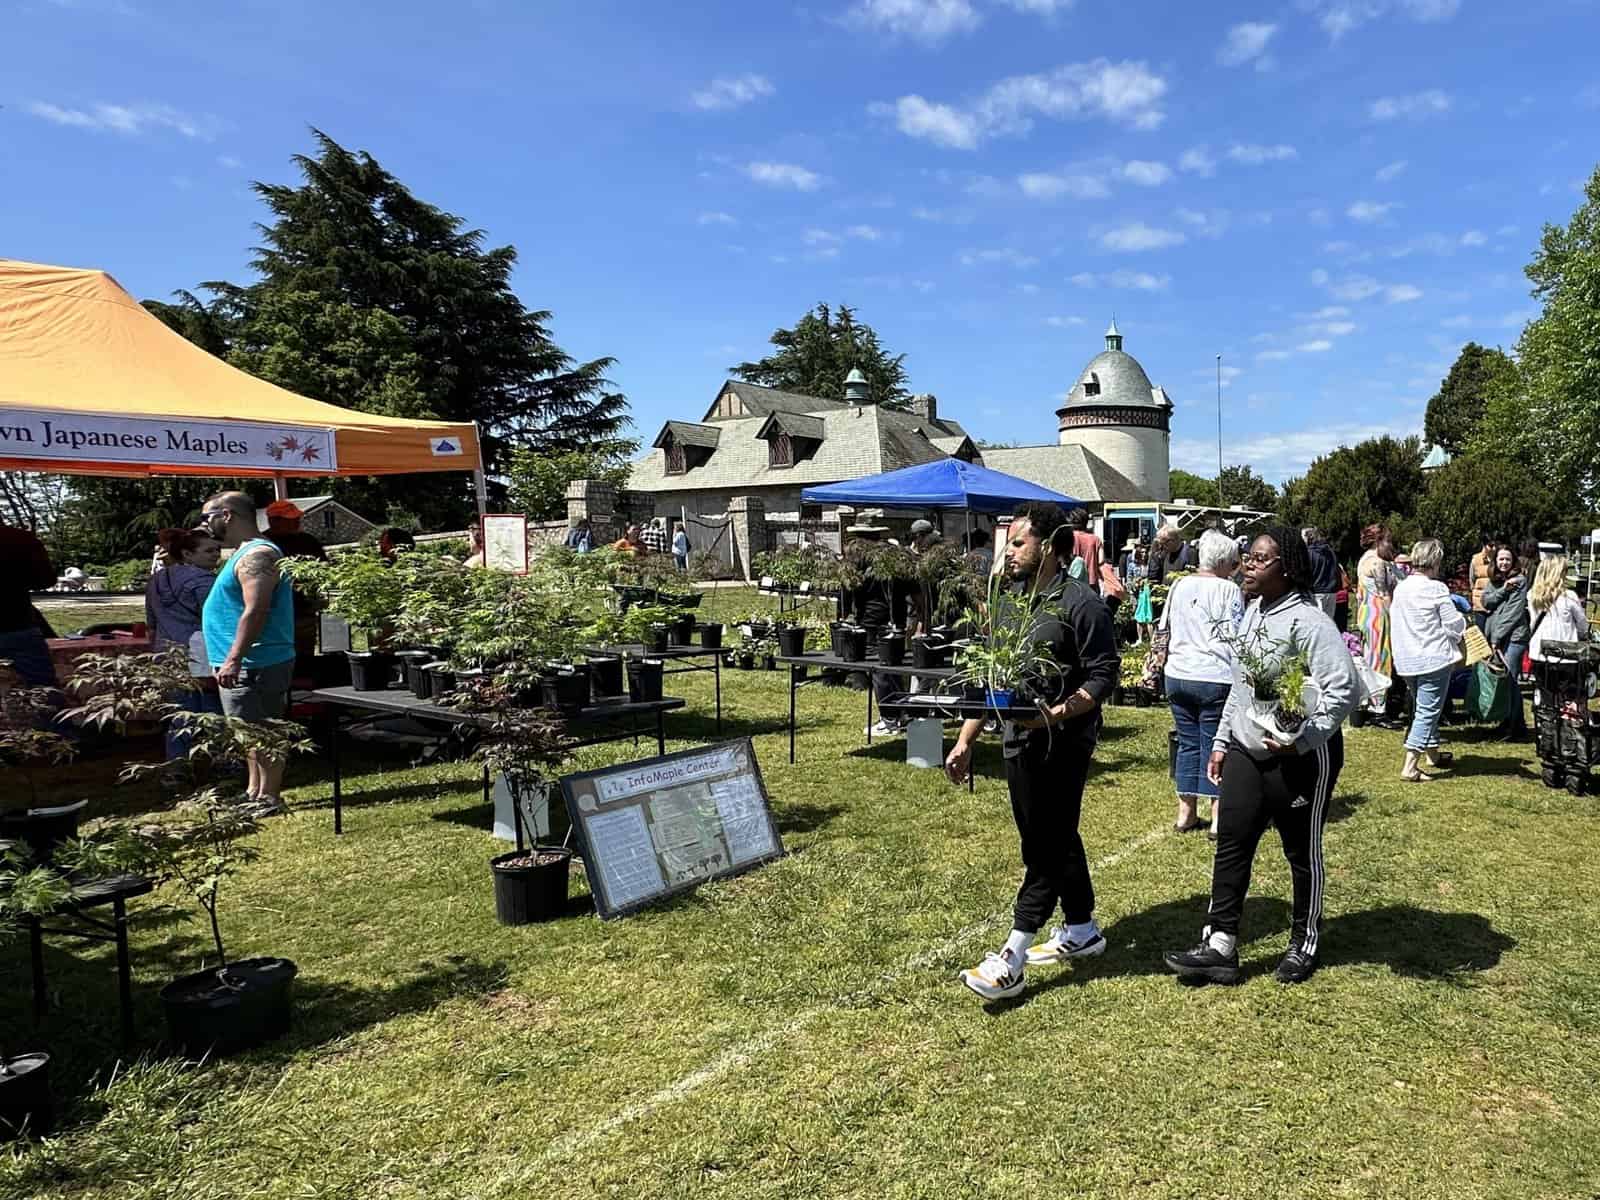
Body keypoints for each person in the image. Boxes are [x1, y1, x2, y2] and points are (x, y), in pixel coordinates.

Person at [1163, 526, 1358, 986]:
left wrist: (1303, 739)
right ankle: (1221, 944)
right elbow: (1241, 685)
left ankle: (1303, 941)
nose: (1248, 565)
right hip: (1246, 752)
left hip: (1301, 757)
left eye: (1260, 559)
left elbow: (1343, 688)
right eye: (1247, 556)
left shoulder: (1308, 622)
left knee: (1300, 851)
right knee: (1232, 842)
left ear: (1287, 569)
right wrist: (1222, 740)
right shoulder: (1252, 612)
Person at [944, 501, 1120, 1000]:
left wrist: (1057, 714)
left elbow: (1104, 673)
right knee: (1049, 836)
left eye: (1019, 543)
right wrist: (966, 739)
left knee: (1046, 844)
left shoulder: (1080, 602)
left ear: (1049, 546)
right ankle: (1081, 928)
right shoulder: (1010, 602)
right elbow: (994, 678)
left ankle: (1012, 955)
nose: (1009, 552)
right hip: (1017, 739)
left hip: (1064, 743)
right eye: (1009, 543)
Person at [199, 492, 297, 817]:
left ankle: (270, 798)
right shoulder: (244, 552)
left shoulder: (259, 555)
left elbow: (257, 609)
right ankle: (254, 792)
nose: (204, 524)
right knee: (248, 734)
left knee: (265, 732)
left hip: (257, 661)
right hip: (243, 662)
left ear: (226, 515)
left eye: (207, 517)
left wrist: (234, 658)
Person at [1162, 530, 1244, 833]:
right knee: (1216, 743)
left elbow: (1164, 626)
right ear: (1223, 561)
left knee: (1187, 743)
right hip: (1214, 675)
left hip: (1178, 672)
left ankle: (1186, 813)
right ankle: (1218, 816)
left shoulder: (1179, 585)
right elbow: (1236, 634)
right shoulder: (1229, 589)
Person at [1390, 539, 1467, 782]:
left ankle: (1432, 754)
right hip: (1433, 658)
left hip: (1406, 660)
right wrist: (1462, 626)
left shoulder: (1401, 588)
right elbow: (1453, 623)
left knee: (1425, 707)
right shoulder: (1436, 589)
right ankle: (1410, 766)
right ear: (1436, 561)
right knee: (1427, 711)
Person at [145, 527, 224, 759]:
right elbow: (216, 621)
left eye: (217, 550)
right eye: (208, 551)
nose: (215, 555)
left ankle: (177, 762)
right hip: (200, 651)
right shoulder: (206, 581)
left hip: (167, 652)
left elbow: (151, 623)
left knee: (179, 713)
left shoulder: (156, 579)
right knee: (212, 708)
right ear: (187, 554)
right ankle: (221, 760)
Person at [263, 500, 328, 671]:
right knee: (277, 661)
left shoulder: (308, 541)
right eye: (290, 519)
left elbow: (324, 570)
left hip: (303, 613)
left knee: (304, 659)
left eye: (297, 518)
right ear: (273, 521)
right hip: (272, 615)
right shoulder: (262, 544)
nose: (297, 522)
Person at [1483, 542, 1535, 739]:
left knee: (1510, 680)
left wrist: (1496, 638)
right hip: (1497, 636)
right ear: (1495, 561)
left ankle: (1514, 727)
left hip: (1514, 636)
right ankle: (1513, 723)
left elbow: (1513, 613)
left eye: (1507, 559)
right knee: (1506, 681)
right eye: (1501, 559)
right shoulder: (1495, 581)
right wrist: (1503, 590)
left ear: (1513, 561)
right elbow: (1486, 601)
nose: (1504, 563)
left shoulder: (1519, 580)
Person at [0, 519, 59, 686]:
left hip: (18, 628)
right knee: (43, 690)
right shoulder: (22, 539)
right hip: (17, 624)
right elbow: (46, 580)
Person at [1354, 524, 1399, 723]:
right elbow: (1384, 594)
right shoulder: (1377, 563)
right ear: (1379, 541)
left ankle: (1365, 704)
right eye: (1388, 540)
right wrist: (1396, 618)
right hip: (1379, 616)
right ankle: (1378, 708)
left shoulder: (1363, 560)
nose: (1391, 545)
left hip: (1366, 614)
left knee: (1368, 659)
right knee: (1380, 660)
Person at [1529, 553, 1590, 662]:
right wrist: (1582, 635)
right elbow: (1582, 623)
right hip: (1564, 653)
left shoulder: (1532, 595)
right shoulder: (1569, 596)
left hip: (1538, 651)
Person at [1304, 527, 1340, 619]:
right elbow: (1336, 569)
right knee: (1329, 622)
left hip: (1316, 593)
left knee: (1317, 622)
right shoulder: (1330, 552)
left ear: (1308, 538)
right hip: (1331, 592)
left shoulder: (1308, 553)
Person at [1065, 507, 1102, 593]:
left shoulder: (1068, 538)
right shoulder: (1095, 539)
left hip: (1073, 582)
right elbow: (1101, 561)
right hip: (1092, 583)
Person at [1469, 536, 1497, 633]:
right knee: (1481, 634)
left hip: (1496, 604)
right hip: (1480, 604)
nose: (1494, 548)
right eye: (1491, 545)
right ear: (1484, 545)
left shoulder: (1500, 559)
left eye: (1496, 545)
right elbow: (1472, 581)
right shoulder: (1475, 560)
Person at [1130, 543, 1154, 642]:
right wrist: (1134, 584)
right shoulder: (1133, 565)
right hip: (1137, 592)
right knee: (1138, 615)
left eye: (1145, 552)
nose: (1144, 554)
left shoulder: (1150, 565)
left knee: (1149, 616)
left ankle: (1151, 639)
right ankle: (1140, 638)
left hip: (1147, 591)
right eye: (1142, 552)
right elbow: (1129, 579)